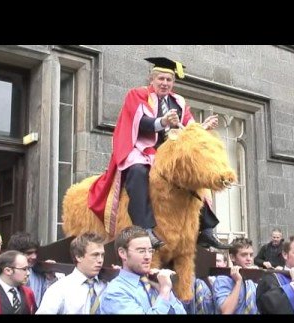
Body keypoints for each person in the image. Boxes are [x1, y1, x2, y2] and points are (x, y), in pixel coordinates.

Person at [88, 56, 230, 250]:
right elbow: (139, 121)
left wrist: (202, 127)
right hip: (142, 149)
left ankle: (206, 229)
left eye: (169, 80)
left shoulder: (178, 101)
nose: (165, 83)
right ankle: (145, 228)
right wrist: (162, 122)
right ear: (152, 80)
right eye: (161, 79)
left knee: (194, 171)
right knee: (137, 171)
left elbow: (189, 128)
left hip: (168, 154)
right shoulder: (137, 94)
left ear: (173, 82)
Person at [100, 225, 186, 314]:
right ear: (123, 253)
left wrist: (165, 291)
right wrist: (165, 290)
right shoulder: (115, 292)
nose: (148, 257)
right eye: (141, 251)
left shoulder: (155, 282)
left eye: (150, 251)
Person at [36, 233, 106, 314]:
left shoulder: (107, 285)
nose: (100, 260)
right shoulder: (60, 289)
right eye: (95, 255)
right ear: (78, 257)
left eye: (102, 255)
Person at [6, 231, 63, 307]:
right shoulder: (5, 274)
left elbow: (49, 300)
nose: (34, 257)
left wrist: (51, 278)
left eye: (36, 252)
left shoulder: (39, 273)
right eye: (29, 253)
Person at [212, 238, 258, 314]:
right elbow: (226, 311)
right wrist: (238, 282)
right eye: (244, 255)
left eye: (251, 255)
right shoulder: (222, 280)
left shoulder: (252, 279)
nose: (249, 259)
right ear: (232, 257)